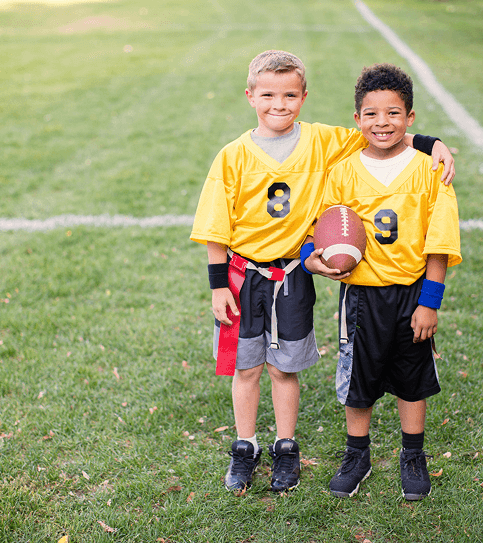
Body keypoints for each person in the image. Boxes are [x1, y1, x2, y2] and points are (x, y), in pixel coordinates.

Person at [190, 50, 455, 494]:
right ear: (250, 96)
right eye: (269, 95)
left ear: (304, 97)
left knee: (283, 369)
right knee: (247, 368)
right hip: (242, 275)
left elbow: (383, 133)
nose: (280, 104)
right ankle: (245, 445)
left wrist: (433, 143)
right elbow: (216, 224)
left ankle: (286, 448)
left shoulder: (322, 140)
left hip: (293, 274)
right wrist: (218, 286)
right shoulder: (232, 156)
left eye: (290, 95)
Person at [307, 63, 462, 500]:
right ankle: (357, 455)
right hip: (360, 295)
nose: (382, 123)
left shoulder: (431, 170)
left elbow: (440, 242)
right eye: (371, 114)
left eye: (393, 114)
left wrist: (429, 301)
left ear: (410, 118)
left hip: (412, 293)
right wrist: (313, 261)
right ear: (357, 119)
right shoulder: (342, 172)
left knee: (412, 377)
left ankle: (413, 455)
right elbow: (317, 231)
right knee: (359, 378)